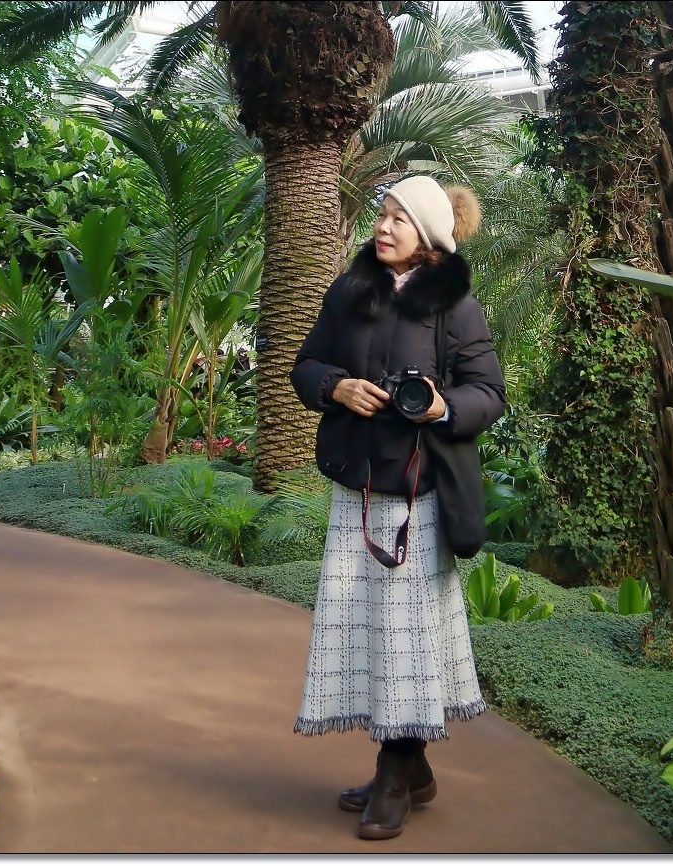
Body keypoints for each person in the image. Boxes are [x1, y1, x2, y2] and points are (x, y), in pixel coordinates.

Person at [290, 176, 506, 840]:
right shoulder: (349, 291)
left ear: (428, 235)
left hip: (418, 496)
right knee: (371, 633)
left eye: (398, 219)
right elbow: (305, 365)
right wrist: (336, 387)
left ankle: (395, 772)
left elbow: (489, 393)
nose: (383, 228)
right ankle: (413, 772)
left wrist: (441, 407)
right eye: (381, 216)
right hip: (355, 488)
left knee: (406, 641)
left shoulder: (455, 307)